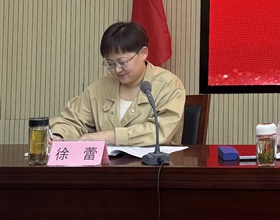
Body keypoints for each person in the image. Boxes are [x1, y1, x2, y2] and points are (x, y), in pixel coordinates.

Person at [50, 21, 185, 146]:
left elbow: (161, 130)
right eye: (110, 64)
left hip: (155, 163)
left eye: (122, 62)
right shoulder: (100, 88)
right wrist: (58, 136)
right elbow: (73, 121)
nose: (117, 70)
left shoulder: (168, 85)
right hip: (107, 163)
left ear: (143, 53)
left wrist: (110, 136)